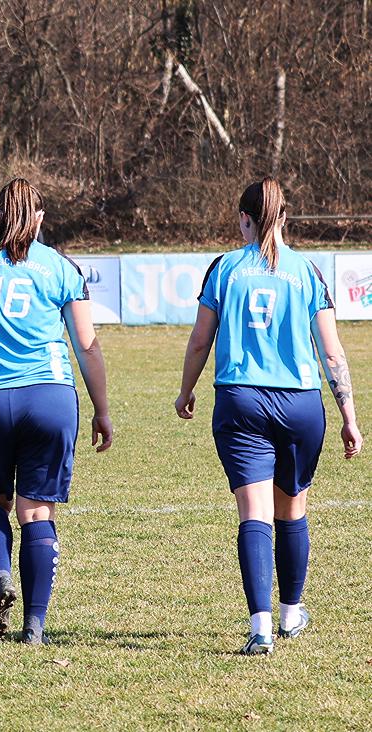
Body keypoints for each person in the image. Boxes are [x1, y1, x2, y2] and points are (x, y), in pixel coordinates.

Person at [175, 178, 362, 655]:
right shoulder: (308, 272)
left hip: (241, 401)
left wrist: (186, 389)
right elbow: (332, 353)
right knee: (292, 510)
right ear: (284, 218)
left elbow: (199, 341)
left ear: (245, 219)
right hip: (301, 404)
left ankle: (260, 628)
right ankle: (291, 614)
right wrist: (349, 415)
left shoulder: (225, 268)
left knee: (254, 513)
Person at [0, 179, 112, 645]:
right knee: (37, 511)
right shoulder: (61, 267)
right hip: (50, 397)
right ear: (39, 218)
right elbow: (87, 346)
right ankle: (34, 624)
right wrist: (101, 408)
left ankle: (0, 576)